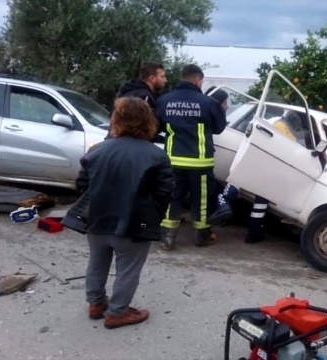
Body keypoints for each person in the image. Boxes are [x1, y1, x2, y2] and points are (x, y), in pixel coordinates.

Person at [75, 97, 175, 329]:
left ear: (116, 120)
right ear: (148, 121)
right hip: (134, 223)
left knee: (97, 262)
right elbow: (165, 192)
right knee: (128, 270)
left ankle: (96, 303)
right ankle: (117, 312)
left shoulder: (97, 150)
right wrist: (154, 217)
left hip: (97, 219)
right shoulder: (156, 155)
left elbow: (81, 184)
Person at [156, 64, 228, 250]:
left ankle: (167, 237)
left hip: (173, 160)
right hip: (200, 161)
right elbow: (219, 128)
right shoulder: (208, 103)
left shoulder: (164, 100)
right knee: (201, 199)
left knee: (173, 196)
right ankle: (202, 236)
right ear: (197, 80)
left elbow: (158, 127)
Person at [208, 114, 301, 243]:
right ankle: (253, 233)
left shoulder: (272, 121)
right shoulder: (292, 137)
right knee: (260, 202)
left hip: (253, 158)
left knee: (237, 180)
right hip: (270, 170)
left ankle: (223, 203)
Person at [105, 61, 167, 140]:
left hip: (115, 140)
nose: (165, 80)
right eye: (162, 76)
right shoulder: (144, 97)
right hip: (131, 144)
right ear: (152, 78)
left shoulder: (126, 91)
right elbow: (144, 125)